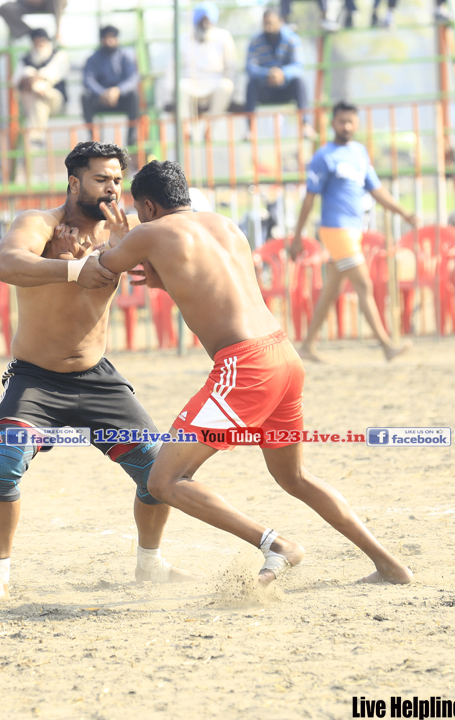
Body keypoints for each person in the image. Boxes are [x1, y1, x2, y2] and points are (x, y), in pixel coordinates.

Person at [96, 160, 413, 587]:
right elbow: (208, 285)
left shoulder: (150, 232)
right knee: (295, 477)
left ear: (148, 206)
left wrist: (120, 240)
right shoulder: (226, 226)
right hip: (283, 355)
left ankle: (276, 544)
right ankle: (390, 565)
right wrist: (154, 273)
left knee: (164, 481)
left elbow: (103, 266)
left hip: (244, 366)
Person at [0, 141, 196, 606]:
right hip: (36, 378)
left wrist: (131, 252)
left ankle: (150, 564)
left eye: (117, 180)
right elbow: (6, 264)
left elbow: (171, 270)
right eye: (101, 179)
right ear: (74, 182)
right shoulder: (39, 223)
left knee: (157, 475)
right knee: (3, 465)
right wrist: (72, 270)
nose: (112, 189)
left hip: (96, 377)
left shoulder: (124, 231)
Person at [288, 101, 415, 362]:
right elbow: (309, 200)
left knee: (331, 290)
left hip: (353, 231)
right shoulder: (324, 157)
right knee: (363, 284)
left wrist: (403, 212)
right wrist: (297, 237)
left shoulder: (359, 152)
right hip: (336, 230)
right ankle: (387, 346)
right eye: (341, 122)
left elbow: (376, 190)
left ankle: (307, 346)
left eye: (350, 122)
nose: (346, 126)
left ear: (356, 124)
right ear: (332, 124)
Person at [245, 9, 314, 138]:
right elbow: (250, 67)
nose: (268, 27)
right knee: (251, 84)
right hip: (265, 88)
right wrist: (267, 74)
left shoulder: (291, 39)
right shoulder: (255, 42)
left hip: (285, 88)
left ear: (280, 22)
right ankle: (250, 129)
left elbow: (298, 65)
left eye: (271, 23)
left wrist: (283, 73)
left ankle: (306, 124)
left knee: (299, 82)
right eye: (265, 23)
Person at [82, 25, 140, 147]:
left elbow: (133, 78)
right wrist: (102, 93)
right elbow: (88, 79)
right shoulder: (93, 59)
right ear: (101, 39)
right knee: (85, 97)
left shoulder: (126, 57)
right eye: (106, 37)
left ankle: (131, 137)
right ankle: (93, 139)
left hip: (120, 99)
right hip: (100, 99)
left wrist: (117, 90)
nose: (109, 41)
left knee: (134, 96)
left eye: (112, 37)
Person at [179, 3, 236, 121]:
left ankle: (211, 127)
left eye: (208, 20)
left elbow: (230, 66)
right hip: (191, 83)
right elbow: (173, 68)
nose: (205, 24)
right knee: (180, 87)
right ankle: (187, 129)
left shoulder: (223, 36)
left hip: (214, 82)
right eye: (202, 20)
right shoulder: (184, 39)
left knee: (226, 86)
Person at [15, 28, 69, 148]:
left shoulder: (59, 56)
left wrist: (33, 81)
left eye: (42, 41)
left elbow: (52, 75)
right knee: (36, 97)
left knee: (36, 89)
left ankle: (35, 140)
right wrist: (31, 83)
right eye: (36, 42)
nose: (39, 45)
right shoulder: (26, 59)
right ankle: (36, 139)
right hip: (36, 101)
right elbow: (16, 80)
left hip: (56, 101)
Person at [0, 0, 66, 45]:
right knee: (5, 8)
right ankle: (31, 35)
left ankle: (58, 34)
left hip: (48, 3)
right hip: (26, 4)